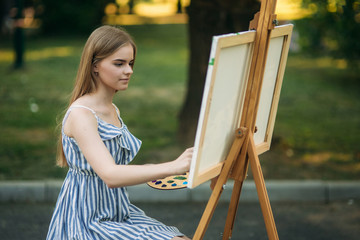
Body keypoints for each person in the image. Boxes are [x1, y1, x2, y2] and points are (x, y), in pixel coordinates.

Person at [46, 25, 193, 240]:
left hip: (119, 213)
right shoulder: (82, 114)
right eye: (119, 63)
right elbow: (110, 175)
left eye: (131, 63)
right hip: (88, 221)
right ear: (95, 66)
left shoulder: (112, 109)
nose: (129, 70)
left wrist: (181, 169)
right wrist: (172, 166)